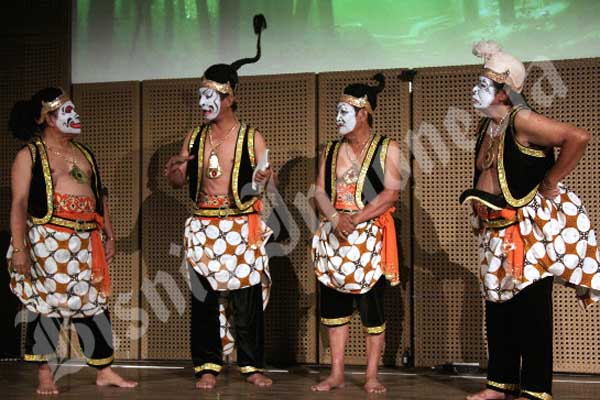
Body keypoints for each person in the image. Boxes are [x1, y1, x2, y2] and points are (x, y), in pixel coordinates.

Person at [461, 40, 600, 400]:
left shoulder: (521, 119)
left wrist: (551, 181)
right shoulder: (487, 126)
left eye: (483, 85)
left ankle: (535, 389)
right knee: (498, 308)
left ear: (505, 92)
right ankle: (499, 383)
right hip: (494, 230)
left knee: (530, 311)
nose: (474, 91)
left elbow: (577, 137)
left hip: (526, 232)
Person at [164, 14, 273, 390]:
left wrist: (262, 181)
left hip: (241, 224)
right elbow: (180, 181)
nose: (203, 102)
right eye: (201, 95)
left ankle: (251, 365)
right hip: (203, 226)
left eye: (210, 95)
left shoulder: (251, 137)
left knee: (245, 298)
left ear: (230, 96)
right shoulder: (193, 137)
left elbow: (263, 185)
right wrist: (176, 171)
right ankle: (207, 364)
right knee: (203, 299)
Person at [7, 88, 138, 395]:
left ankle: (104, 370)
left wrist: (109, 233)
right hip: (46, 242)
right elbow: (19, 204)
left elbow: (98, 197)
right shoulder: (30, 155)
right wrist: (19, 248)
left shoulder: (84, 153)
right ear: (47, 119)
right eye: (67, 112)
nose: (75, 116)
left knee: (93, 305)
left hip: (85, 241)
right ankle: (44, 374)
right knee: (47, 308)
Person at [311, 73, 402, 394]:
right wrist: (336, 218)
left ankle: (371, 375)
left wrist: (356, 218)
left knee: (372, 311)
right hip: (336, 238)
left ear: (363, 113)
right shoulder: (330, 150)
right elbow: (319, 192)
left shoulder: (388, 148)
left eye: (344, 112)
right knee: (334, 311)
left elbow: (391, 194)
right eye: (337, 110)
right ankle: (336, 373)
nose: (337, 118)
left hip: (370, 239)